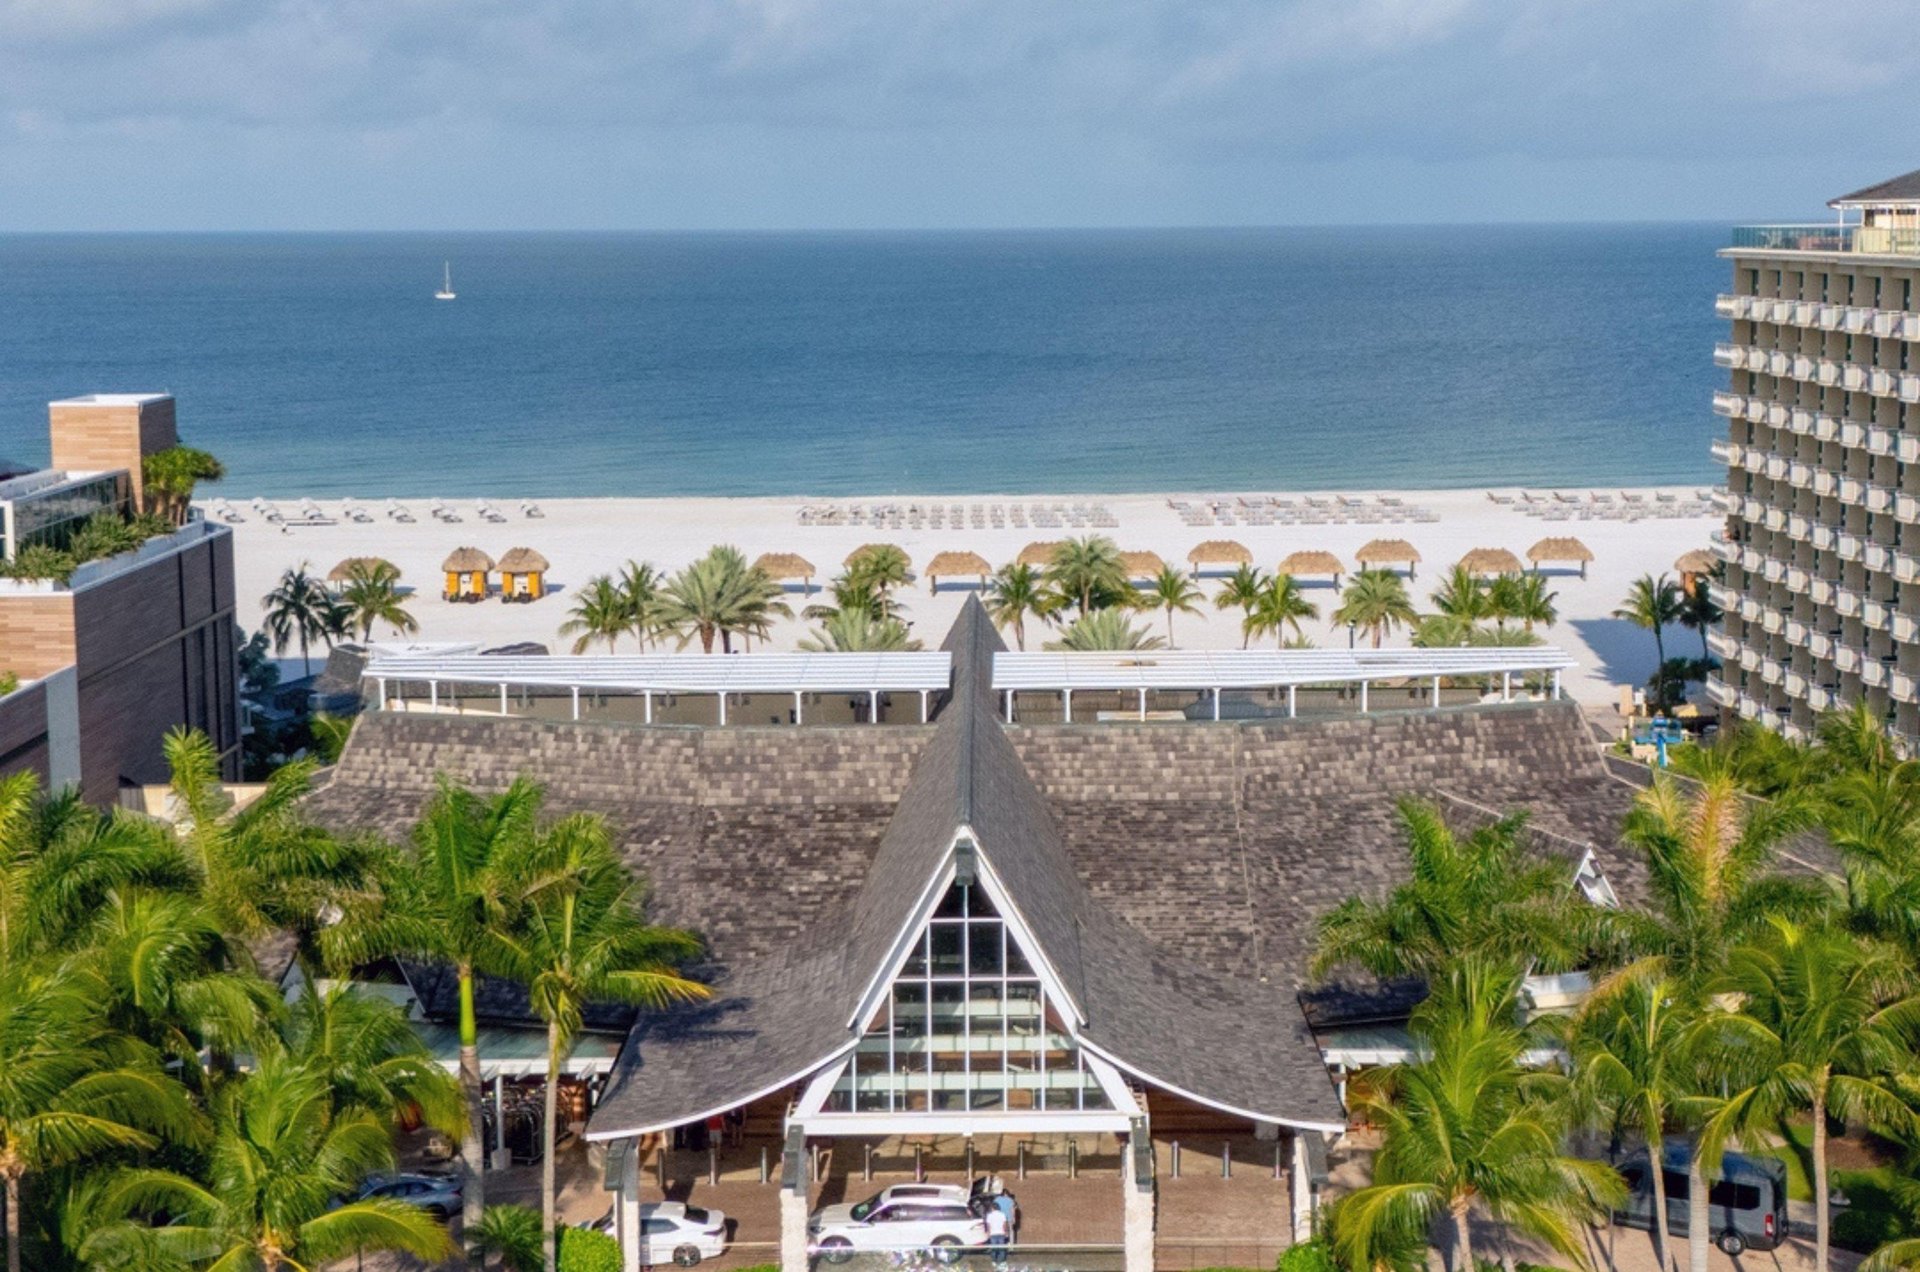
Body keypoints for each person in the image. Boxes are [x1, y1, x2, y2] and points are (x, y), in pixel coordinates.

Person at [983, 1196, 1010, 1265]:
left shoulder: (989, 1215)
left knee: (993, 1248)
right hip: (1001, 1233)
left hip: (993, 1233)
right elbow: (1004, 1224)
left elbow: (988, 1225)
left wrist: (988, 1232)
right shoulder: (1002, 1214)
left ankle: (994, 1261)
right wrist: (1006, 1232)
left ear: (993, 1208)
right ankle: (1002, 1261)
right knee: (1002, 1248)